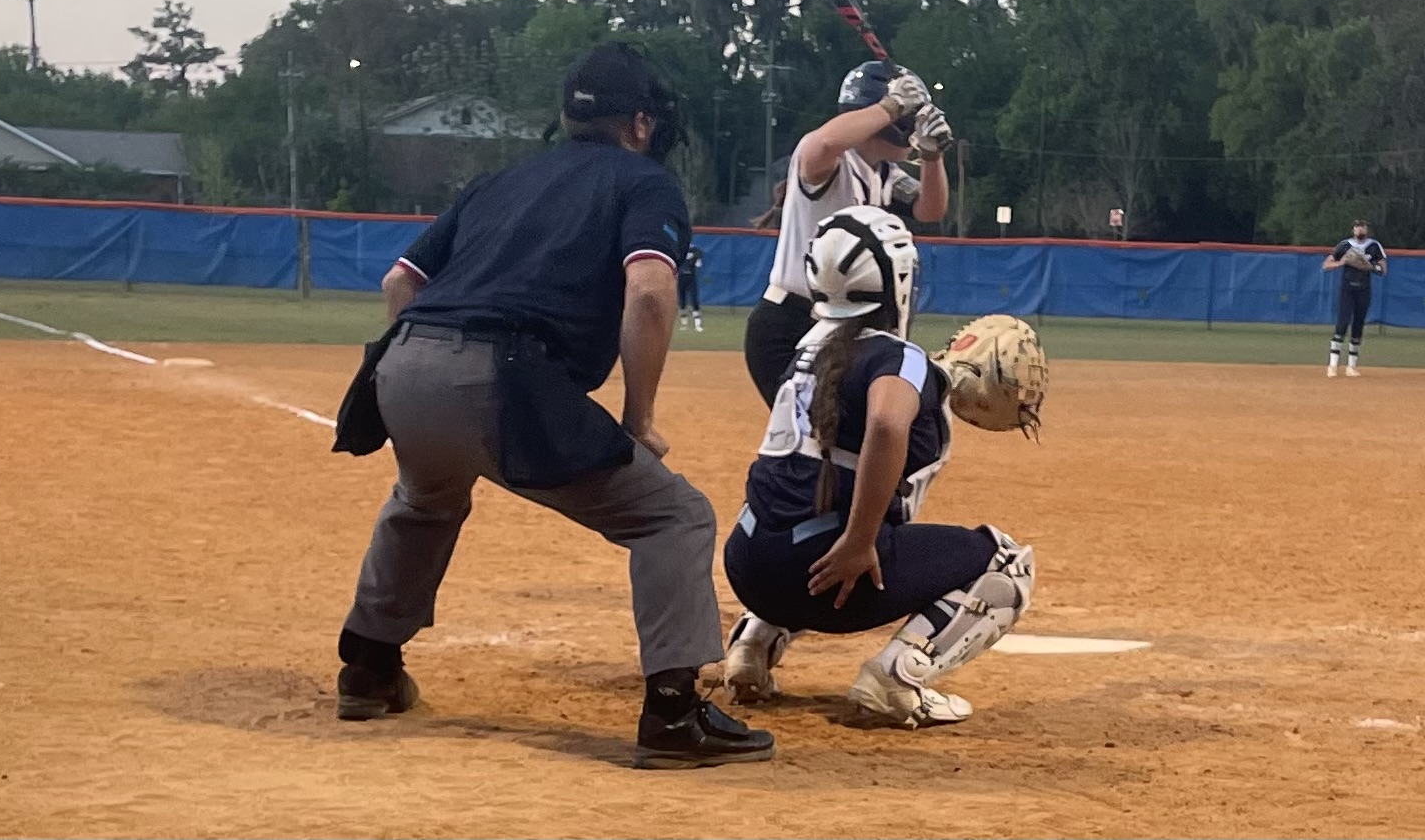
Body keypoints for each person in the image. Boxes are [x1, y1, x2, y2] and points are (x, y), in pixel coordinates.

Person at [329, 44, 774, 769]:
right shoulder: (645, 182)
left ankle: (369, 668)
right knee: (672, 515)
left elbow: (398, 282)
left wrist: (428, 370)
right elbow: (652, 291)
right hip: (500, 372)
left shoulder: (500, 179)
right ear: (640, 122)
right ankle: (672, 714)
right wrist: (638, 416)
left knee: (425, 497)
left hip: (397, 364)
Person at [721, 206, 1036, 727]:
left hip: (746, 565)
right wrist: (860, 539)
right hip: (819, 580)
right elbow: (888, 426)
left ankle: (754, 641)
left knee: (799, 510)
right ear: (899, 280)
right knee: (1006, 564)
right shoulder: (900, 355)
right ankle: (896, 679)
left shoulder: (804, 347)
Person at [743, 61, 950, 406]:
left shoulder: (884, 173)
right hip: (790, 325)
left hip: (840, 327)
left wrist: (932, 157)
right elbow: (821, 144)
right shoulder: (834, 162)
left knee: (844, 445)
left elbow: (931, 209)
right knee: (815, 445)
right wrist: (891, 106)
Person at [1320, 218, 1387, 377]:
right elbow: (1326, 265)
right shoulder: (1345, 245)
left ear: (1366, 229)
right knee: (1342, 323)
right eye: (1357, 227)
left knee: (1358, 325)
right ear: (1353, 230)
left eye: (1362, 226)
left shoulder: (1373, 246)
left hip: (1363, 289)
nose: (1359, 229)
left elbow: (1383, 270)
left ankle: (1351, 366)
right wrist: (1341, 263)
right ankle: (1333, 365)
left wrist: (1367, 265)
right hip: (1347, 289)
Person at [677, 242, 704, 332]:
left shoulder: (695, 250)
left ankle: (698, 324)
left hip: (691, 278)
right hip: (681, 279)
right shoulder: (678, 249)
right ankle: (684, 324)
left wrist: (696, 260)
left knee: (694, 301)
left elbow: (698, 264)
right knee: (682, 302)